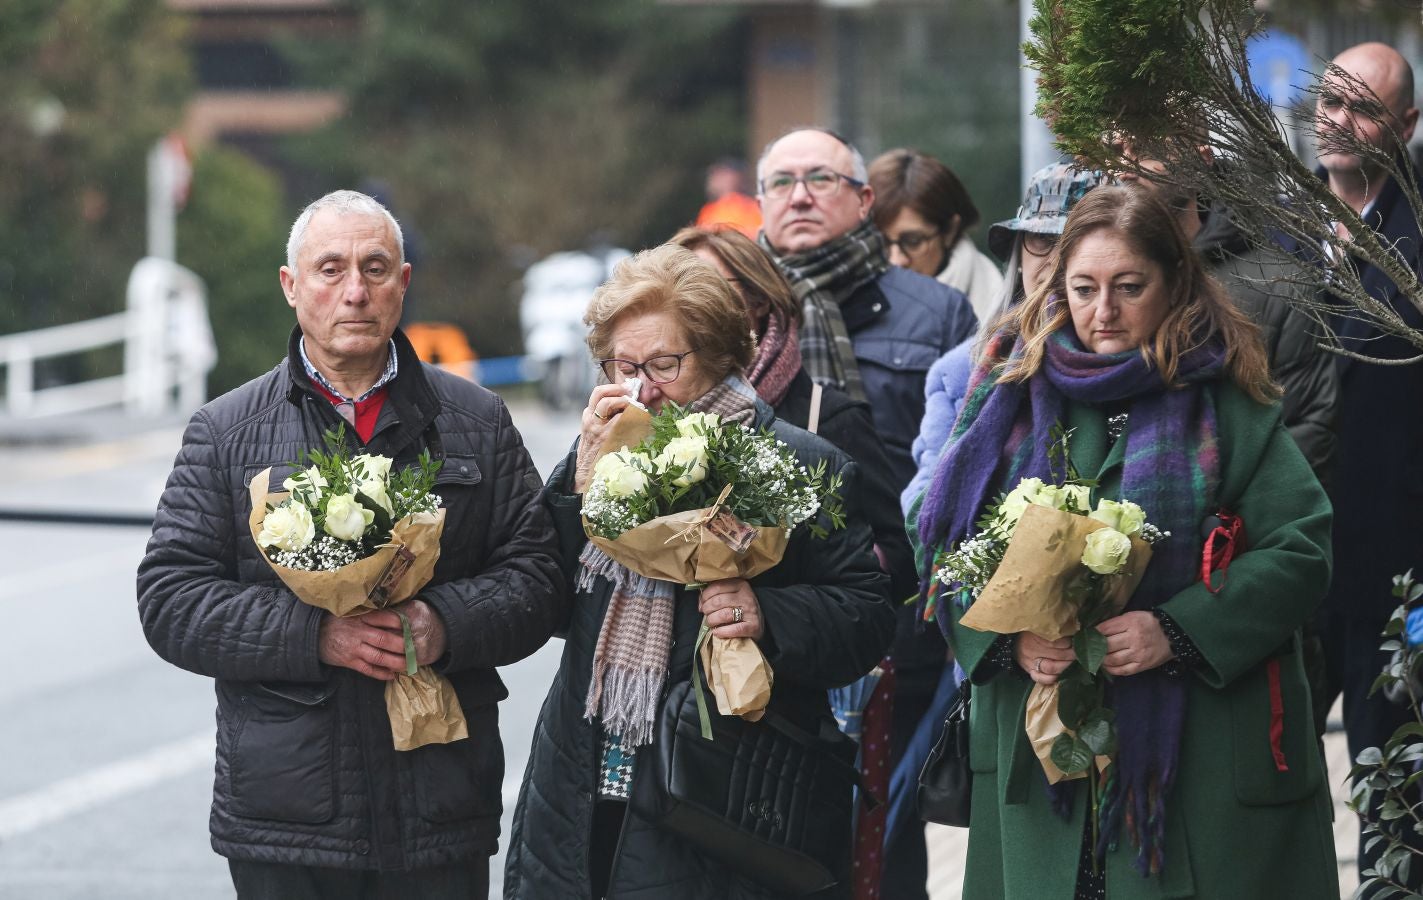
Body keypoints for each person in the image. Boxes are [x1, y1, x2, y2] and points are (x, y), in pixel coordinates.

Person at [136, 190, 566, 899]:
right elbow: (172, 599)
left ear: (403, 283)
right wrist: (317, 634)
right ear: (291, 286)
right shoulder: (225, 430)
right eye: (330, 269)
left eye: (375, 268)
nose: (354, 291)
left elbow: (539, 578)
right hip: (285, 812)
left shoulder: (478, 422)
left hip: (439, 799)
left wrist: (442, 624)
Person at [912, 185, 1337, 898]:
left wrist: (1177, 629)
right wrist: (1008, 639)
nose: (1101, 311)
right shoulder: (1007, 390)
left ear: (1173, 283)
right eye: (1082, 287)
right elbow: (938, 542)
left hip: (1193, 757)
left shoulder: (1228, 396)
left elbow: (1301, 549)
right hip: (1041, 755)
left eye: (1127, 287)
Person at [503, 244, 895, 900]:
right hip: (582, 777)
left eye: (663, 363)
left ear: (717, 353)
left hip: (719, 794)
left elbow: (868, 617)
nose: (641, 387)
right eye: (622, 366)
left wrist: (767, 614)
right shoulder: (596, 453)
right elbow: (544, 601)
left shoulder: (798, 461)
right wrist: (577, 485)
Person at [757, 127, 978, 899]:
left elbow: (959, 466)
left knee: (881, 822)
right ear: (760, 202)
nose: (800, 195)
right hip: (763, 610)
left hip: (896, 608)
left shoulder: (939, 313)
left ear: (862, 201)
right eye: (781, 182)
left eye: (820, 178)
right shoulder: (724, 307)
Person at [1307, 40, 1423, 891]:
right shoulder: (1274, 224)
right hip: (1289, 561)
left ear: (1406, 124)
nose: (1339, 121)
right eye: (1329, 101)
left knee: (1395, 801)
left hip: (1399, 575)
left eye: (1364, 106)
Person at [670, 225, 914, 601]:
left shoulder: (831, 419)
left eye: (710, 286)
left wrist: (775, 606)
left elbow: (893, 563)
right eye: (675, 291)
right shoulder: (649, 413)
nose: (693, 305)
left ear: (759, 300)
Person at [902, 162, 1106, 515]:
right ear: (1019, 253)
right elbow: (923, 505)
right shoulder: (960, 372)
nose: (1059, 260)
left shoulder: (1149, 362)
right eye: (1043, 239)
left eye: (1077, 242)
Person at [869, 148, 1005, 322]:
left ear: (950, 231)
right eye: (880, 242)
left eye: (912, 241)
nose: (895, 260)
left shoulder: (999, 308)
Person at [696, 157, 763, 239]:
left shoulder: (750, 207)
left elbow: (758, 233)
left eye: (724, 175)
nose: (719, 180)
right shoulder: (709, 210)